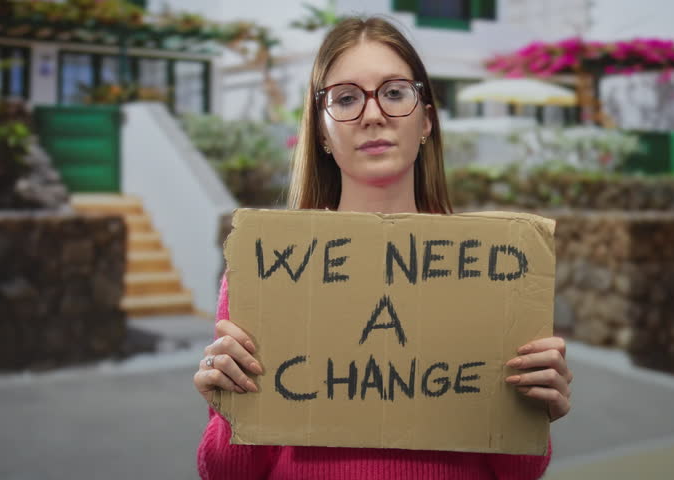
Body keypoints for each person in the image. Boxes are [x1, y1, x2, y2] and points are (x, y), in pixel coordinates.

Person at [193, 16, 573, 480]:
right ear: (321, 132)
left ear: (427, 119)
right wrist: (228, 406)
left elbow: (519, 472)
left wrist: (531, 408)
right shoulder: (265, 271)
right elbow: (225, 473)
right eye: (346, 98)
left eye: (394, 93)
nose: (373, 114)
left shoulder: (495, 273)